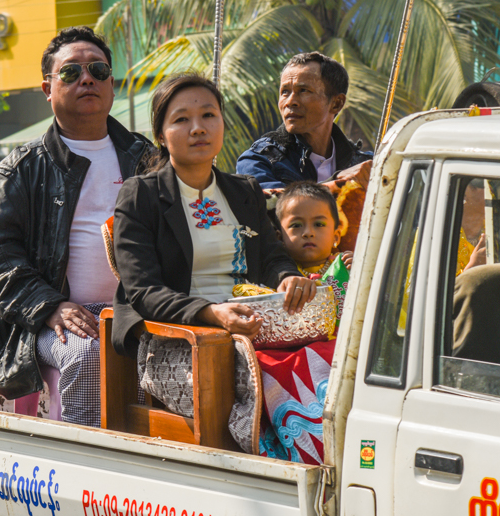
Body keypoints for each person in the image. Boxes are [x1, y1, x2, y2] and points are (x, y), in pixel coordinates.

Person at [0, 26, 152, 425]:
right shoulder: (20, 170)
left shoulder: (146, 158)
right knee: (88, 354)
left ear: (111, 84)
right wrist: (50, 306)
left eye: (98, 70)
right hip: (57, 318)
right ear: (47, 89)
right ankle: (87, 472)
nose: (87, 79)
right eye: (71, 73)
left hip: (140, 310)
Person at [111, 74, 315, 347]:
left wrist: (288, 278)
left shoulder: (244, 191)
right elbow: (144, 290)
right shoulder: (140, 195)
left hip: (254, 325)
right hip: (182, 334)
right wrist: (210, 313)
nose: (198, 128)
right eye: (181, 119)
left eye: (208, 115)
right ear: (160, 135)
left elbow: (272, 258)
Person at [259, 181, 351, 463]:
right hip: (289, 353)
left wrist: (360, 276)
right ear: (278, 235)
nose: (308, 232)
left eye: (319, 224)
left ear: (337, 234)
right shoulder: (274, 278)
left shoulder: (348, 266)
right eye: (296, 226)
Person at [236, 52, 372, 189]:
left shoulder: (366, 166)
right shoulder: (257, 160)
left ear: (336, 103)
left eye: (303, 90)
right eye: (285, 92)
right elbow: (276, 206)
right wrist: (338, 182)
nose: (290, 102)